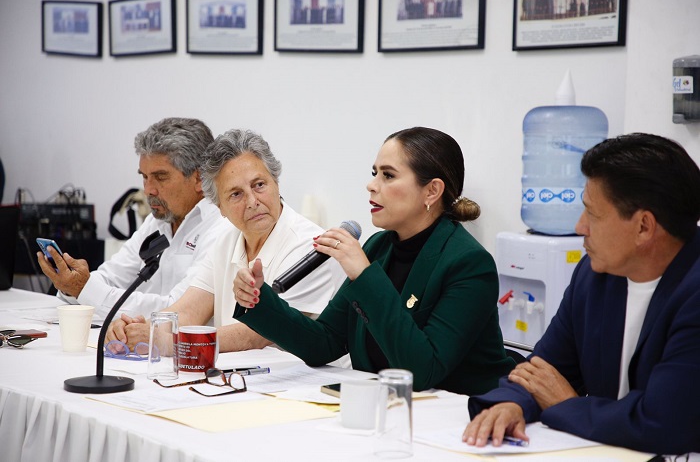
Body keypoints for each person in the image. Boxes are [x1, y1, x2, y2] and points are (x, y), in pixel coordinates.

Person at [464, 133, 700, 455]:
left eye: (592, 214)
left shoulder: (694, 293)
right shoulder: (595, 274)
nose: (579, 227)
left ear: (644, 227)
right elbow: (542, 370)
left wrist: (565, 404)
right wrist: (511, 404)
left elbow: (662, 424)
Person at [233, 126, 515, 395]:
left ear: (432, 191)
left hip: (460, 413)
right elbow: (325, 342)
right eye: (374, 173)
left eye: (388, 175)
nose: (371, 185)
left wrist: (365, 277)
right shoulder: (379, 247)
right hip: (385, 406)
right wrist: (259, 299)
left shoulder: (469, 264)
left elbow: (423, 371)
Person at [106, 129, 346, 353]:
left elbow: (256, 336)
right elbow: (188, 311)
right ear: (219, 207)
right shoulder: (226, 241)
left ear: (276, 183)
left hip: (309, 381)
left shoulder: (311, 246)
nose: (252, 201)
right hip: (241, 377)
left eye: (259, 185)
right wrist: (138, 329)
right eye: (236, 194)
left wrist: (167, 342)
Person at [37, 118, 229, 321]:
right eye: (144, 177)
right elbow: (111, 277)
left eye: (160, 177)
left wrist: (84, 289)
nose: (148, 190)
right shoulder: (158, 221)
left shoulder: (222, 227)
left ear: (199, 178)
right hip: (139, 337)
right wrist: (71, 286)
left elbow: (175, 310)